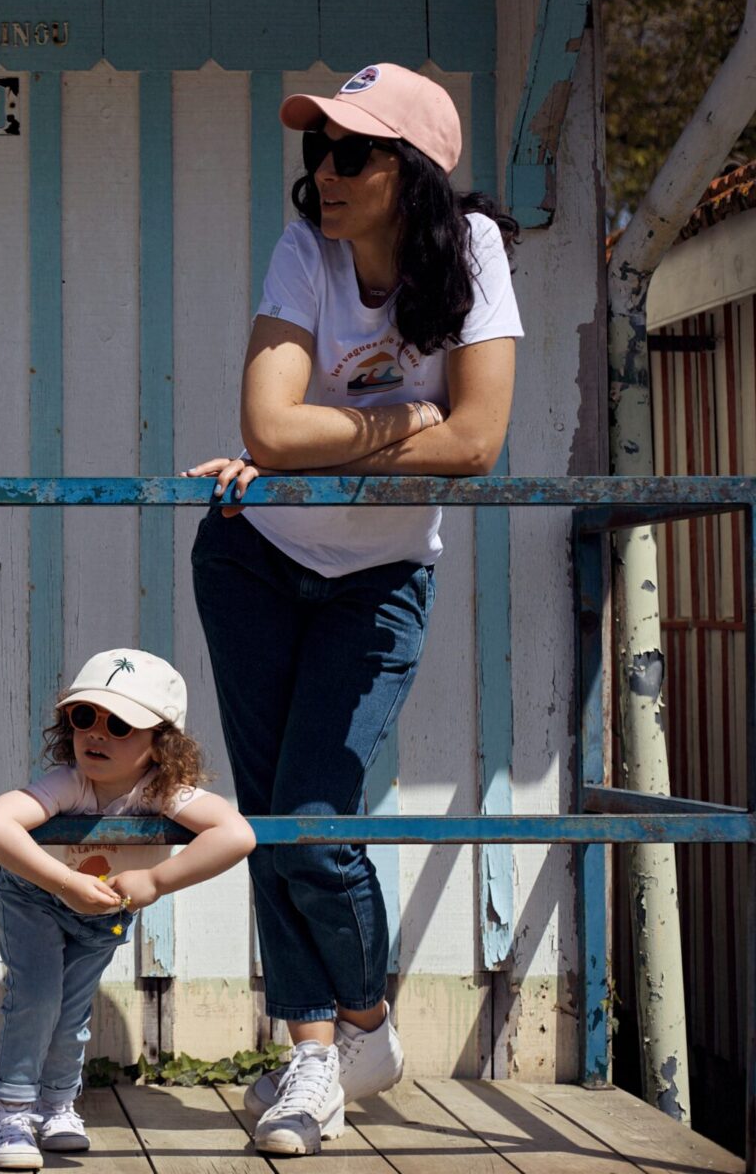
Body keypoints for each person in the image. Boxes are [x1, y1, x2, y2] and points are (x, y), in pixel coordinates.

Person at [183, 62, 521, 1157]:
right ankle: (321, 1052)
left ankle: (359, 1027)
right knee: (275, 819)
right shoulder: (306, 249)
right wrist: (403, 419)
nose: (322, 173)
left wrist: (358, 429)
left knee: (314, 821)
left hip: (376, 580)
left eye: (350, 152)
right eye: (315, 150)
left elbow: (479, 442)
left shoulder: (472, 253)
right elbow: (271, 432)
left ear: (410, 172)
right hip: (254, 552)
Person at [0, 648, 256, 1170]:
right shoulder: (69, 782)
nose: (96, 734)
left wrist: (155, 879)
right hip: (35, 895)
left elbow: (236, 833)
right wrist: (62, 883)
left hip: (105, 913)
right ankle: (12, 1113)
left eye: (120, 724)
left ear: (159, 745)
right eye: (84, 718)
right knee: (36, 997)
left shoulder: (162, 791)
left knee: (72, 1011)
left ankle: (57, 1105)